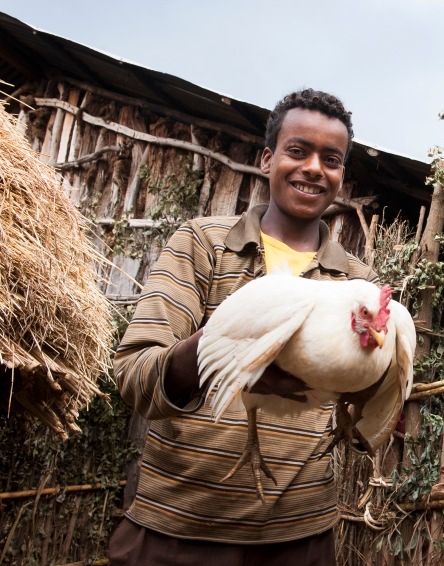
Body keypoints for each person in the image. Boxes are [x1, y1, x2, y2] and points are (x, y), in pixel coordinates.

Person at [108, 88, 377, 565]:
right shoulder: (203, 244)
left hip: (299, 537)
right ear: (267, 159)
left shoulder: (356, 284)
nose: (315, 167)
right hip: (178, 528)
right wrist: (224, 351)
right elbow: (134, 373)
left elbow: (369, 422)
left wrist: (367, 394)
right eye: (298, 151)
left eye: (331, 159)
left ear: (340, 176)